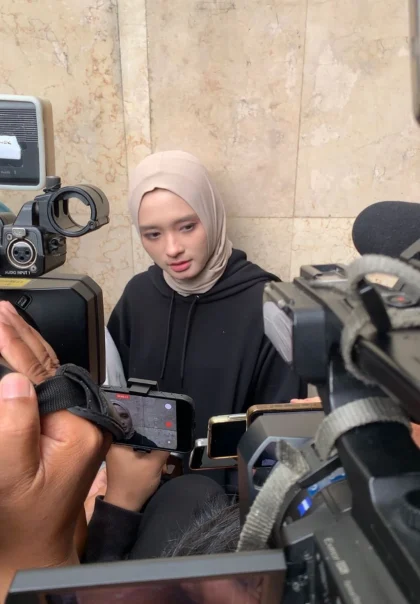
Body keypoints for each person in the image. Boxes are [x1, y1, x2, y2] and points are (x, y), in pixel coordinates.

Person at [107, 150, 306, 444]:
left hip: (235, 473)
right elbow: (113, 403)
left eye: (187, 227)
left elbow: (280, 434)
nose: (172, 249)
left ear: (211, 215)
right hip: (143, 471)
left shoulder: (269, 304)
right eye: (153, 234)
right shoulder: (138, 296)